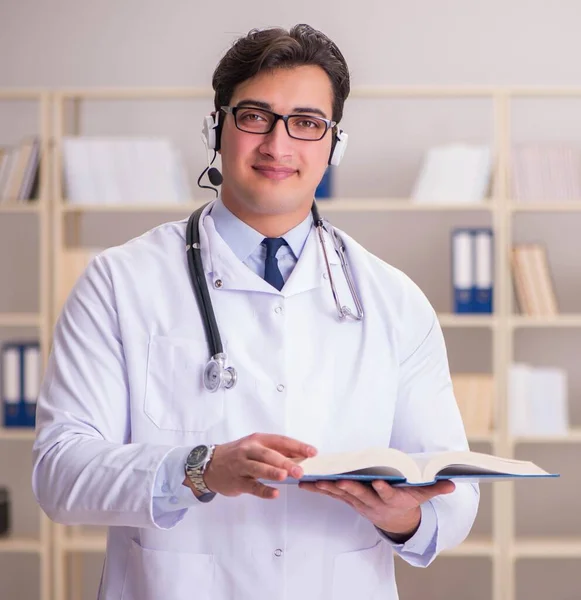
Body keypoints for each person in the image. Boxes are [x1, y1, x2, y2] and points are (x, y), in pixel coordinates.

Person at [32, 23, 479, 600]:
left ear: (333, 144)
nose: (278, 145)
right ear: (217, 127)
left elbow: (454, 498)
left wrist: (403, 516)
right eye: (254, 116)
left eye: (307, 123)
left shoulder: (394, 300)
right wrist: (198, 470)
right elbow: (60, 474)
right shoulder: (120, 282)